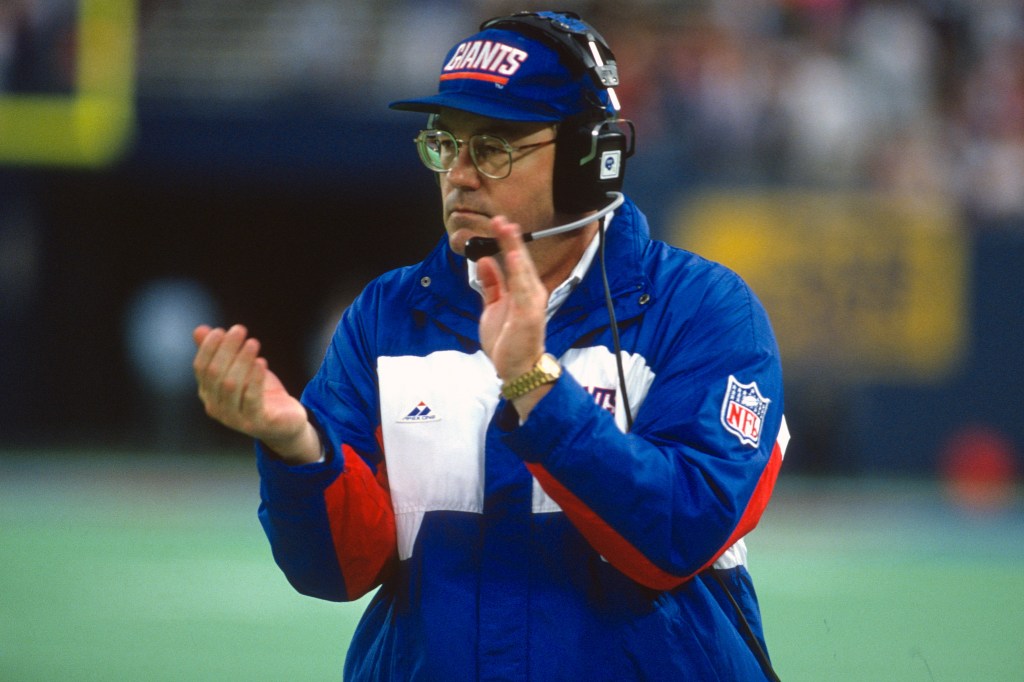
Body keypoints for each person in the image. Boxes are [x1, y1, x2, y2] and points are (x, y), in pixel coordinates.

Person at [193, 10, 789, 681]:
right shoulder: (385, 318)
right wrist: (297, 448)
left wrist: (534, 386)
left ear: (594, 160)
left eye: (495, 145)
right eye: (447, 144)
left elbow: (679, 534)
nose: (460, 174)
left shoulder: (705, 311)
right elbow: (338, 570)